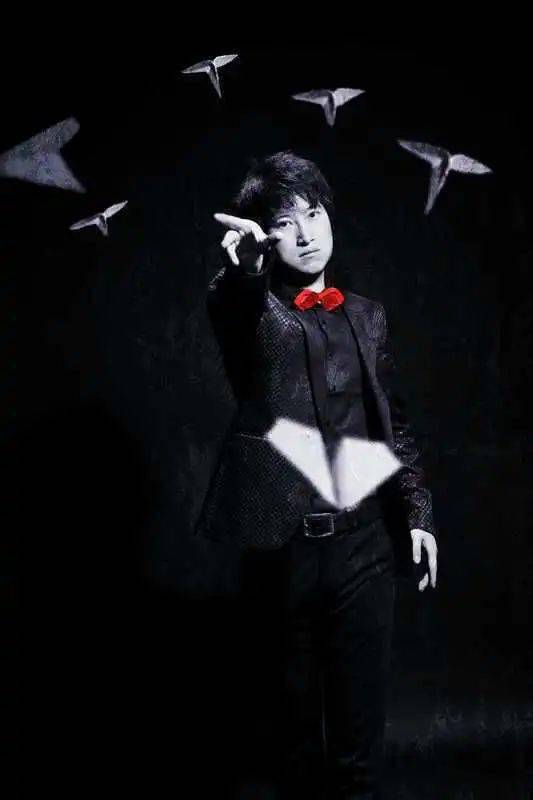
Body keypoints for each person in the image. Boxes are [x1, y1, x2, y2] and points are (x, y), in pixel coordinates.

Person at [195, 151, 438, 799]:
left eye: (313, 213)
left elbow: (393, 424)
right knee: (292, 747)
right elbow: (233, 304)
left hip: (366, 548)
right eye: (284, 222)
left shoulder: (367, 316)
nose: (305, 233)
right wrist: (244, 272)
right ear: (264, 237)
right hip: (286, 553)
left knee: (359, 748)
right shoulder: (254, 315)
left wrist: (417, 515)